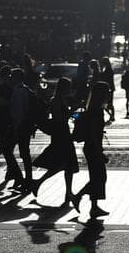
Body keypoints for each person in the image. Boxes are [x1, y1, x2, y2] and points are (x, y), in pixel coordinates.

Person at [33, 77, 80, 206]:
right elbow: (60, 118)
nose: (70, 89)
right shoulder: (55, 101)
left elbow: (69, 116)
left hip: (64, 133)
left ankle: (68, 193)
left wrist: (77, 114)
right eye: (69, 87)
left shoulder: (62, 100)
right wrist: (72, 112)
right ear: (64, 88)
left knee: (67, 165)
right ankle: (38, 183)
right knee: (61, 165)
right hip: (60, 135)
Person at [72, 81, 111, 218]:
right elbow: (94, 133)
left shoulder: (93, 108)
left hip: (90, 147)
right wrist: (99, 152)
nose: (109, 93)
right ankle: (79, 197)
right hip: (93, 148)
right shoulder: (97, 111)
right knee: (99, 177)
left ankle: (93, 207)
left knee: (97, 177)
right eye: (107, 91)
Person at [7, 68, 36, 193]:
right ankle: (26, 179)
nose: (10, 78)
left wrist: (15, 127)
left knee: (9, 150)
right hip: (27, 125)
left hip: (20, 126)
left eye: (12, 76)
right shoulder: (26, 89)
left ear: (16, 77)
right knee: (24, 153)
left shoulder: (18, 91)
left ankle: (23, 179)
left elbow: (18, 112)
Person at [98, 57, 116, 124]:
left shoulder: (108, 69)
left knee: (107, 103)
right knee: (109, 103)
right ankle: (112, 115)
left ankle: (112, 115)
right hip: (109, 87)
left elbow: (105, 78)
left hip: (108, 88)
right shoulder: (108, 69)